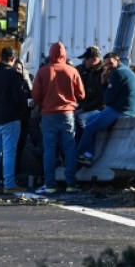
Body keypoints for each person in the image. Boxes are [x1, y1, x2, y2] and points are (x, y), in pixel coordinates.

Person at [31, 42, 85, 195]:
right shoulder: (72, 71)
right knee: (69, 149)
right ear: (64, 55)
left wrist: (42, 104)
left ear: (51, 54)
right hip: (67, 114)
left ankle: (50, 184)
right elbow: (81, 94)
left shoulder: (43, 71)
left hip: (48, 114)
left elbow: (35, 95)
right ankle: (71, 184)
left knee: (49, 150)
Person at [76, 52, 135, 166]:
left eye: (110, 63)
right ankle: (88, 154)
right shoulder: (124, 71)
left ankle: (80, 154)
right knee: (90, 120)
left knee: (90, 127)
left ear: (118, 61)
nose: (108, 67)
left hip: (121, 110)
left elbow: (106, 100)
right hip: (124, 108)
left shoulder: (118, 73)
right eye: (106, 65)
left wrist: (103, 82)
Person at [0, 47, 29, 194]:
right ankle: (9, 184)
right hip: (10, 117)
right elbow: (19, 98)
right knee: (9, 152)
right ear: (13, 59)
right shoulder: (14, 75)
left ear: (0, 57)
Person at [74, 46, 105, 143]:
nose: (84, 61)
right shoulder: (88, 71)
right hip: (86, 107)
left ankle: (83, 145)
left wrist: (83, 109)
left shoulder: (103, 73)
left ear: (94, 59)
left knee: (79, 119)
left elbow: (101, 99)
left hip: (99, 108)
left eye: (86, 59)